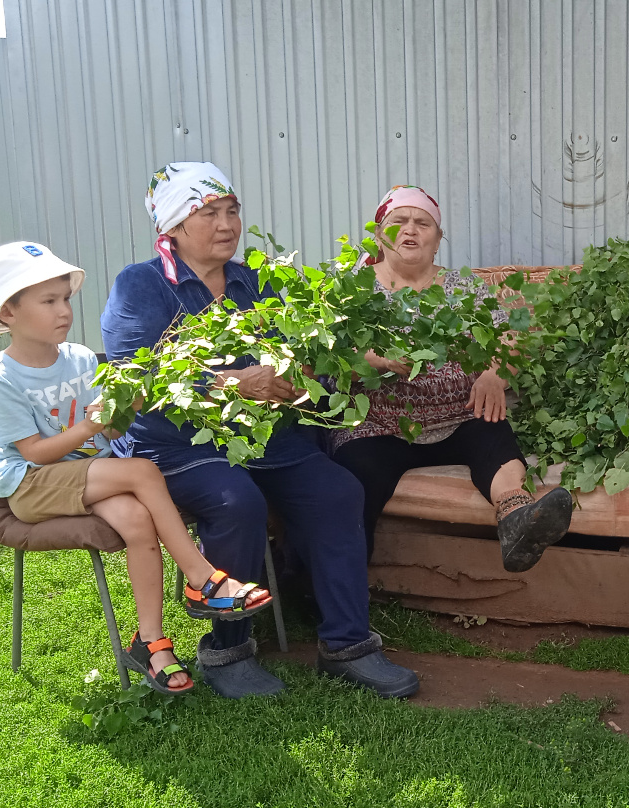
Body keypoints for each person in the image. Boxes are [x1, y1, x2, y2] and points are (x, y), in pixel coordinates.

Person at [101, 162, 419, 699]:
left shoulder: (257, 279)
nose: (226, 225)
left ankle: (347, 646)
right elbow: (135, 376)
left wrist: (308, 375)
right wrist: (230, 382)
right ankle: (227, 649)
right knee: (236, 503)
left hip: (268, 437)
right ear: (174, 227)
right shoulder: (142, 285)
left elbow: (298, 351)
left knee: (339, 491)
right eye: (209, 213)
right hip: (178, 444)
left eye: (232, 212)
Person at [0, 241, 273, 694]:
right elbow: (34, 453)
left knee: (136, 520)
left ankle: (151, 644)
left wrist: (118, 416)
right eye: (48, 301)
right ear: (8, 313)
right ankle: (201, 579)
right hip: (32, 486)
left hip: (86, 474)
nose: (63, 311)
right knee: (142, 472)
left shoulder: (77, 357)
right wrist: (91, 424)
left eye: (66, 299)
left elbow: (104, 437)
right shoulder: (0, 379)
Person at [330, 185, 571, 571]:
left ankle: (519, 522)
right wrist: (378, 358)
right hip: (377, 426)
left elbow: (507, 339)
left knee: (492, 431)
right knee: (358, 478)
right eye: (399, 222)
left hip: (457, 417)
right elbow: (326, 354)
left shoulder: (463, 288)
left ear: (437, 240)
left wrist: (495, 375)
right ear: (379, 234)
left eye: (423, 223)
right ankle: (340, 582)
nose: (411, 230)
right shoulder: (351, 286)